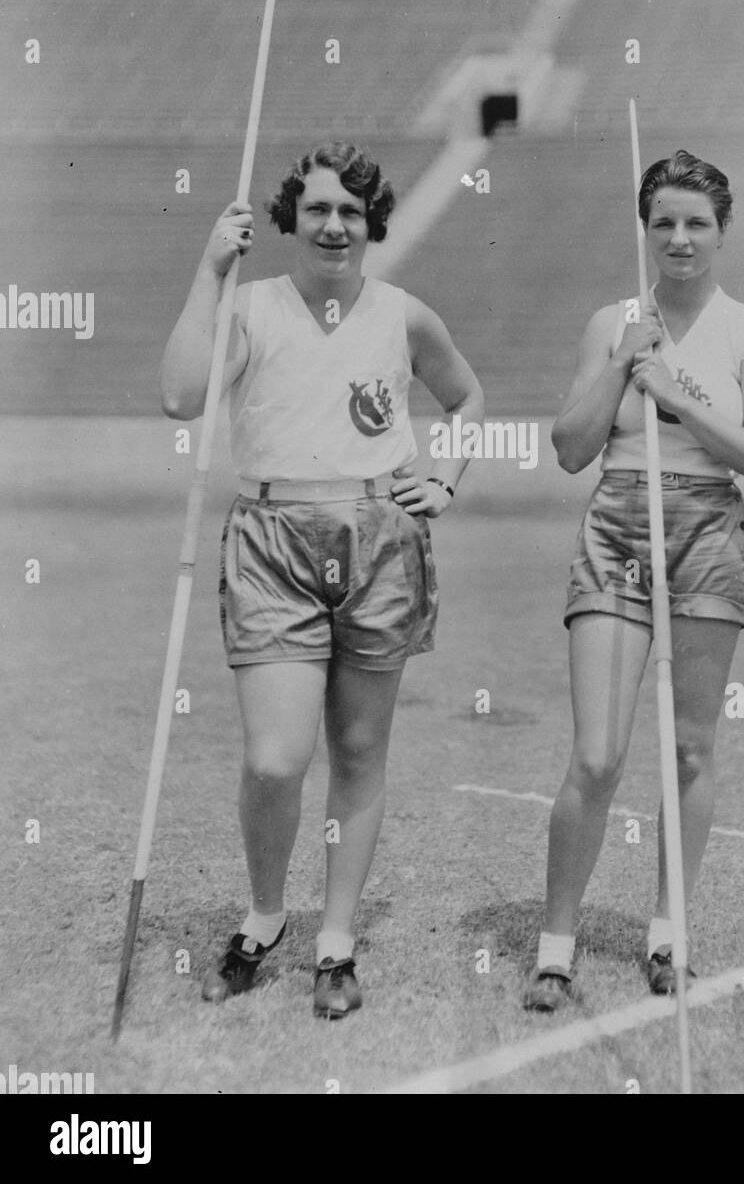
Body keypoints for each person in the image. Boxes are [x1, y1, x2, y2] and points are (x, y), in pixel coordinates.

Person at [161, 141, 484, 1019]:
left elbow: (467, 399)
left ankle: (336, 941)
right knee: (275, 760)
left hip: (381, 538)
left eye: (349, 211)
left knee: (358, 753)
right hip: (272, 540)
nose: (334, 224)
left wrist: (446, 479)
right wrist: (207, 269)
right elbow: (182, 397)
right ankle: (264, 918)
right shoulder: (251, 305)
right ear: (290, 222)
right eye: (317, 210)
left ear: (372, 222)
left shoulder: (404, 314)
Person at [524, 149, 744, 1011]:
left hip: (708, 529)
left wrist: (677, 396)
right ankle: (555, 950)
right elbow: (569, 450)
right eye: (664, 222)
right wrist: (621, 365)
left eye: (696, 223)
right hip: (619, 523)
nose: (679, 238)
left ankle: (669, 936)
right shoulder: (614, 321)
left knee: (690, 748)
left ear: (722, 232)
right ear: (647, 228)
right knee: (598, 755)